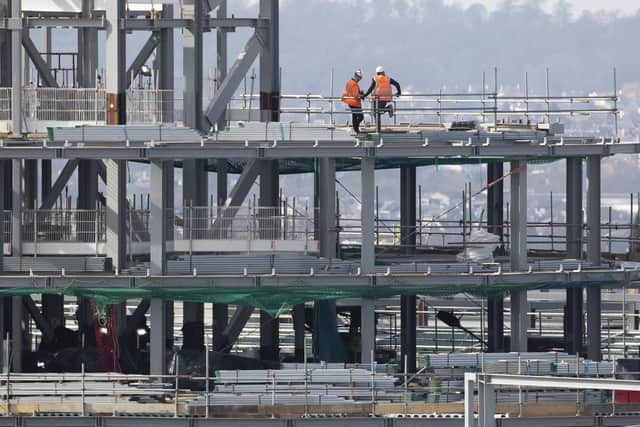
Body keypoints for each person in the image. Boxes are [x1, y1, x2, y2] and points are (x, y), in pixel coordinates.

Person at [341, 69, 365, 134]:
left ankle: (356, 129)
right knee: (360, 117)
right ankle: (356, 129)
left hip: (350, 101)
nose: (360, 79)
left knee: (354, 116)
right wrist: (361, 96)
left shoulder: (349, 82)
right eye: (359, 78)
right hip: (354, 102)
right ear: (356, 76)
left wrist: (360, 92)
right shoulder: (354, 84)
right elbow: (355, 95)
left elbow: (351, 92)